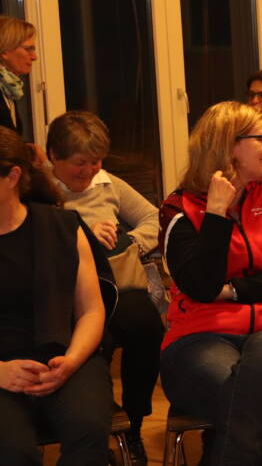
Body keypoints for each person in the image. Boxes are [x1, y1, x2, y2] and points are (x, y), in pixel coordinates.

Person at [159, 101, 262, 466]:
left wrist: (234, 290)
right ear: (230, 146)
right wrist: (216, 215)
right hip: (199, 341)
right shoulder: (179, 208)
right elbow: (201, 286)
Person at [46, 111, 163, 466]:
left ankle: (134, 423)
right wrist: (82, 237)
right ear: (54, 157)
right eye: (79, 163)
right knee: (96, 341)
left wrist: (130, 243)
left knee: (147, 326)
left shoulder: (107, 183)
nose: (89, 171)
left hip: (117, 284)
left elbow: (153, 218)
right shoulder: (41, 192)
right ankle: (99, 426)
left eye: (95, 161)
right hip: (68, 294)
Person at [0, 126, 116, 464]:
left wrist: (71, 362)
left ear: (12, 177)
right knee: (13, 452)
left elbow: (91, 311)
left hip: (64, 358)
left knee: (88, 430)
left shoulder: (62, 226)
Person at [0, 17, 37, 136]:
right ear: (4, 51)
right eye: (28, 49)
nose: (34, 57)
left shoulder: (8, 86)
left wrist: (26, 146)